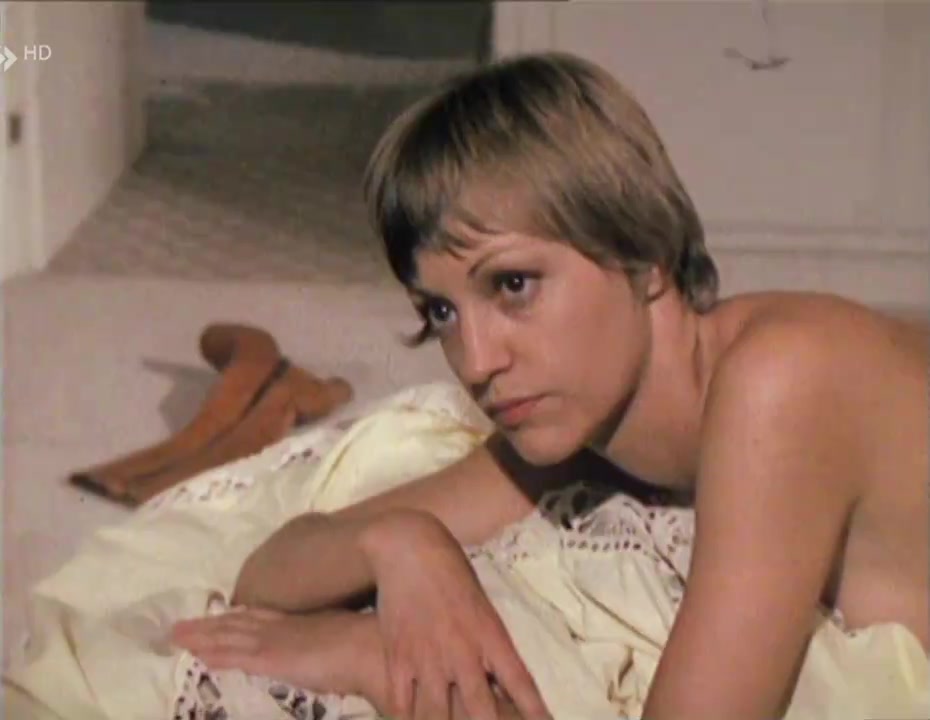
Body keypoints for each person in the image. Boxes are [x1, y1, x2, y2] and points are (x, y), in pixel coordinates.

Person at [167, 50, 927, 720]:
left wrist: (373, 661)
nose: (476, 361)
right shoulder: (580, 425)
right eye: (440, 312)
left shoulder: (781, 380)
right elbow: (266, 576)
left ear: (644, 254)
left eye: (513, 285)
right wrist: (401, 541)